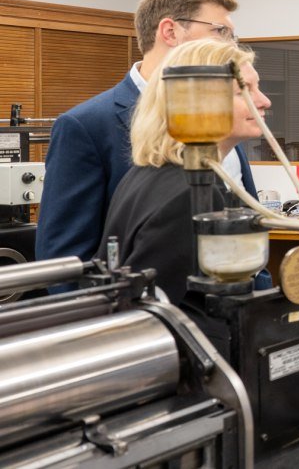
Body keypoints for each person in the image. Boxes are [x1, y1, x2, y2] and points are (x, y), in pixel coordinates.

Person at [39, 0, 253, 271]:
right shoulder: (86, 126)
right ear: (170, 32)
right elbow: (62, 259)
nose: (232, 46)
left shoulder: (220, 119)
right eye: (221, 32)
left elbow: (244, 229)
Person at [104, 39, 271, 306]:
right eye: (244, 91)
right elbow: (159, 315)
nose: (264, 101)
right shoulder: (190, 194)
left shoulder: (153, 175)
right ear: (198, 103)